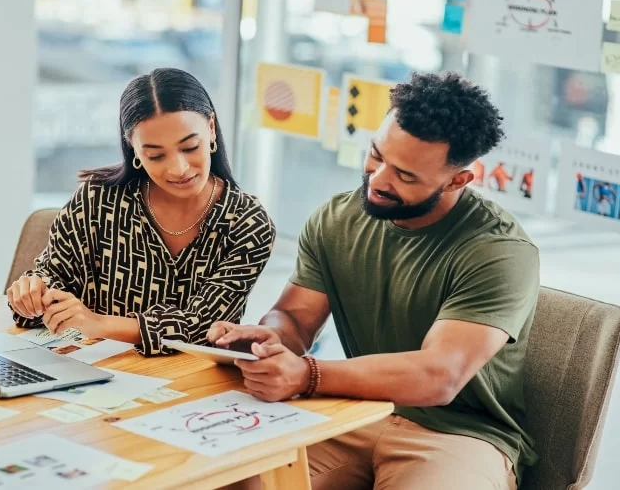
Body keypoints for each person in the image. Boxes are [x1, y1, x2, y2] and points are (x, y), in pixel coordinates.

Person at [210, 72, 539, 490]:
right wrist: (268, 340)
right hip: (355, 411)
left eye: (406, 176)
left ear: (458, 180)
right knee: (225, 479)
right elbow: (294, 317)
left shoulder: (498, 250)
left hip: (459, 435)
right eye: (376, 155)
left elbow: (440, 375)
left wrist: (307, 374)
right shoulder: (336, 219)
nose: (379, 179)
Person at [7, 68, 276, 356]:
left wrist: (98, 324)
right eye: (156, 155)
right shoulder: (98, 198)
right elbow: (53, 280)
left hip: (192, 386)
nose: (179, 169)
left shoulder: (247, 223)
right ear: (133, 149)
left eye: (190, 147)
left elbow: (202, 327)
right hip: (91, 372)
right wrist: (33, 295)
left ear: (211, 129)